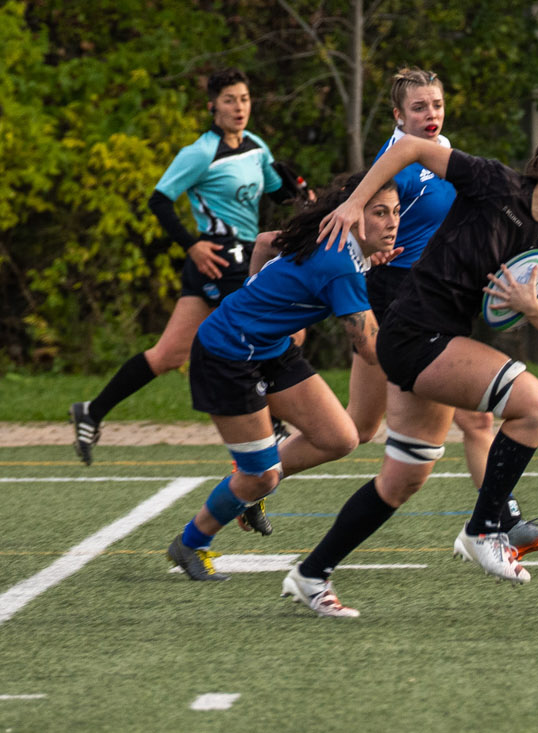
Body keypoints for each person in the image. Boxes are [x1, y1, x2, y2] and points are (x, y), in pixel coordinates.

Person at [294, 131, 538, 615]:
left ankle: (311, 573)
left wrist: (532, 308)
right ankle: (485, 529)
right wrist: (356, 204)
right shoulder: (494, 183)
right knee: (535, 407)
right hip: (414, 332)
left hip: (440, 341)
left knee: (402, 480)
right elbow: (410, 149)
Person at [296, 68, 538, 560]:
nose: (431, 115)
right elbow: (354, 222)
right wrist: (364, 238)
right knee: (357, 432)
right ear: (398, 116)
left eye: (437, 105)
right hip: (397, 309)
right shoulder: (399, 165)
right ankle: (258, 477)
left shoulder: (440, 154)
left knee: (463, 424)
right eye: (419, 108)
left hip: (431, 311)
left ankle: (497, 521)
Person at [161, 173, 400, 600]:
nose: (392, 221)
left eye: (396, 212)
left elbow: (267, 241)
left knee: (340, 437)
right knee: (261, 476)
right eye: (379, 212)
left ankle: (251, 485)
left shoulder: (334, 239)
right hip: (225, 355)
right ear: (353, 214)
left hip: (268, 348)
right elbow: (370, 351)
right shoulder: (340, 265)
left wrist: (254, 290)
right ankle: (191, 543)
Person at [68, 70, 307, 464]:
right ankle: (272, 422)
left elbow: (277, 192)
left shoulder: (256, 146)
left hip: (244, 255)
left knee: (167, 355)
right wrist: (193, 245)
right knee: (276, 326)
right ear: (212, 106)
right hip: (217, 257)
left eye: (244, 99)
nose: (239, 107)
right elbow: (159, 201)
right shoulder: (200, 153)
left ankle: (91, 411)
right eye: (229, 99)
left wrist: (298, 190)